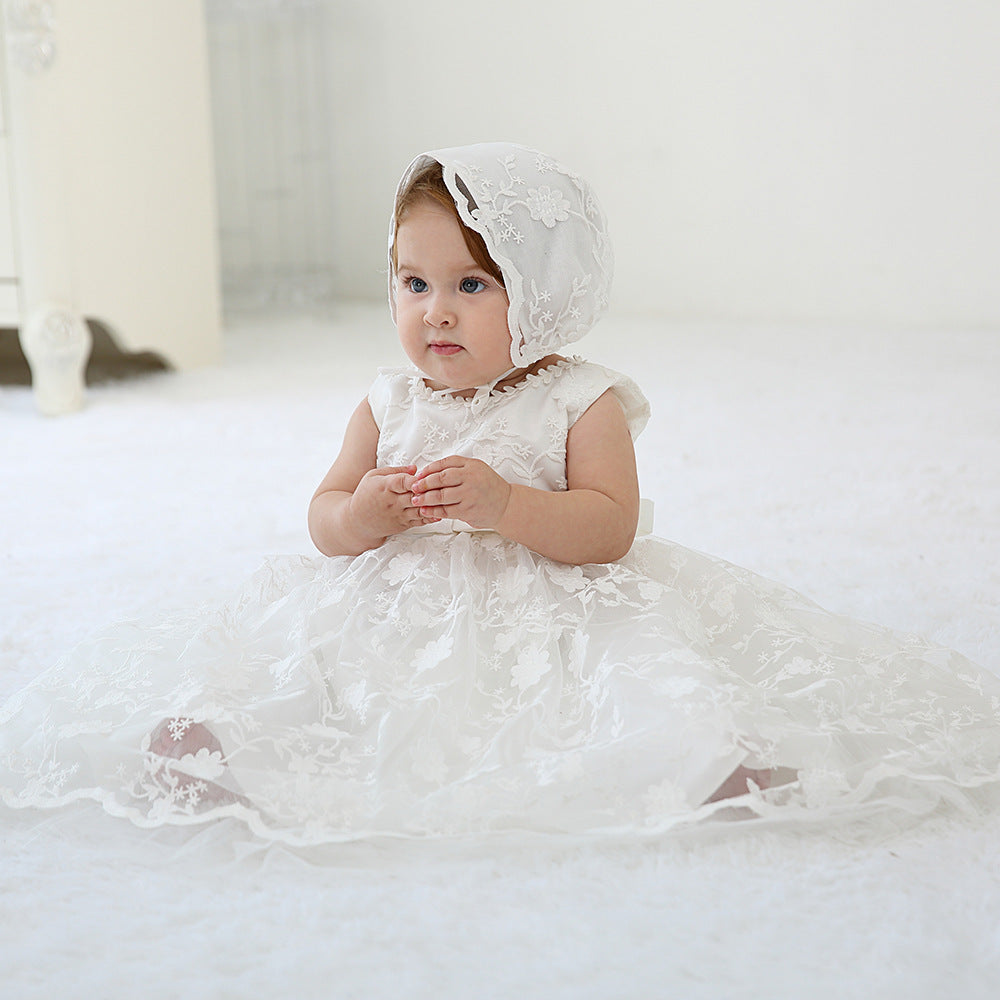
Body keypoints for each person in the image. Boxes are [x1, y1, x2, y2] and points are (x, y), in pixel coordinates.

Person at [2, 142, 998, 847]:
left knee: (629, 690)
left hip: (546, 604)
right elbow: (322, 517)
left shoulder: (578, 397)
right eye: (412, 283)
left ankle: (706, 762)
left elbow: (608, 527)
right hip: (393, 606)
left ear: (548, 291)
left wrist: (510, 508)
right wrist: (366, 512)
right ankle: (229, 743)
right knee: (315, 673)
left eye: (473, 285)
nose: (435, 311)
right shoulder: (388, 399)